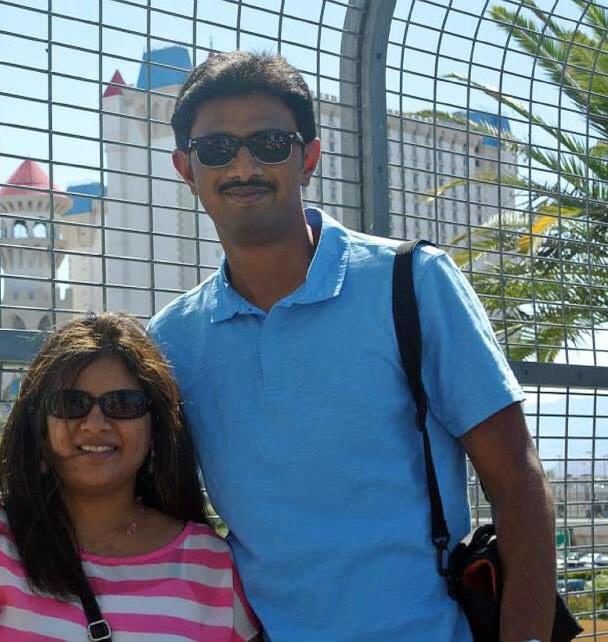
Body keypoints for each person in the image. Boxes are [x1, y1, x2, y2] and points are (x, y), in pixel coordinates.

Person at [148, 51, 556, 642]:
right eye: (217, 149)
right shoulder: (172, 339)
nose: (244, 165)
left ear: (308, 158)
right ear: (187, 167)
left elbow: (518, 480)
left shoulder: (412, 283)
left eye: (269, 143)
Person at [0, 313, 260, 641]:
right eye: (70, 403)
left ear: (155, 427)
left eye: (123, 404)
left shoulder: (208, 562)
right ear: (39, 424)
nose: (95, 423)